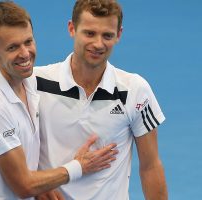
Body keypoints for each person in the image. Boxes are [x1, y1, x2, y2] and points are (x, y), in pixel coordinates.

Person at [0, 1, 119, 199]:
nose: (25, 54)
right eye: (13, 47)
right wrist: (79, 167)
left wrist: (44, 184)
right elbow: (24, 185)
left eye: (28, 42)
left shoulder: (29, 81)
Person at [34, 0, 168, 199]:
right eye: (89, 33)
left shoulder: (135, 90)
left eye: (107, 35)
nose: (98, 44)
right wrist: (38, 185)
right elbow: (10, 152)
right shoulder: (35, 83)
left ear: (119, 35)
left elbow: (150, 166)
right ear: (72, 28)